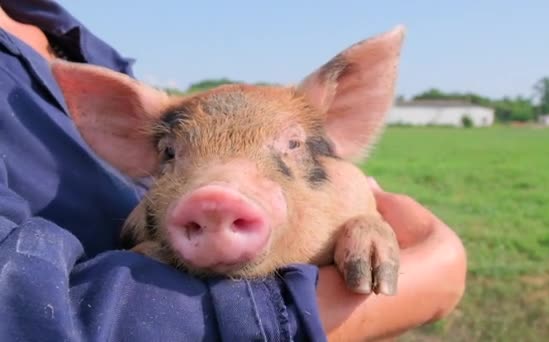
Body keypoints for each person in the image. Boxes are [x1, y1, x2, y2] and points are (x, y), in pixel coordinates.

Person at [0, 1, 467, 341]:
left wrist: (369, 226)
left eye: (289, 144)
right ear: (127, 135)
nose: (224, 191)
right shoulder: (151, 220)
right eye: (173, 154)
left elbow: (355, 209)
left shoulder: (65, 32)